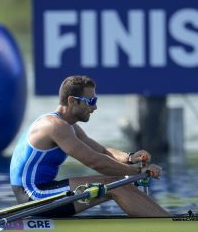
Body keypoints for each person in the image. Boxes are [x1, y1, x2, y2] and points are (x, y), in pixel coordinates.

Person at [10, 75, 170, 217]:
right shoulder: (54, 126)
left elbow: (102, 151)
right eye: (91, 101)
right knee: (115, 185)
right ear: (72, 101)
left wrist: (130, 157)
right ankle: (170, 225)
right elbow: (95, 162)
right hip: (32, 196)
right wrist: (137, 172)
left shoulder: (69, 126)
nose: (95, 107)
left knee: (117, 182)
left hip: (43, 191)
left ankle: (167, 219)